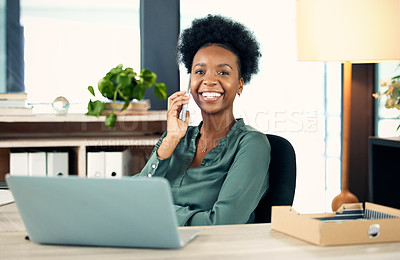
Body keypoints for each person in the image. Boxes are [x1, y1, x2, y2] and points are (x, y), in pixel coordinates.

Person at [135, 14, 271, 226]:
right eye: (200, 71)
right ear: (191, 81)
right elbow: (136, 197)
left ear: (240, 85)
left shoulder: (251, 144)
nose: (209, 80)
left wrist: (156, 213)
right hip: (157, 243)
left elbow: (223, 223)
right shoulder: (177, 137)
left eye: (223, 72)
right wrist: (170, 139)